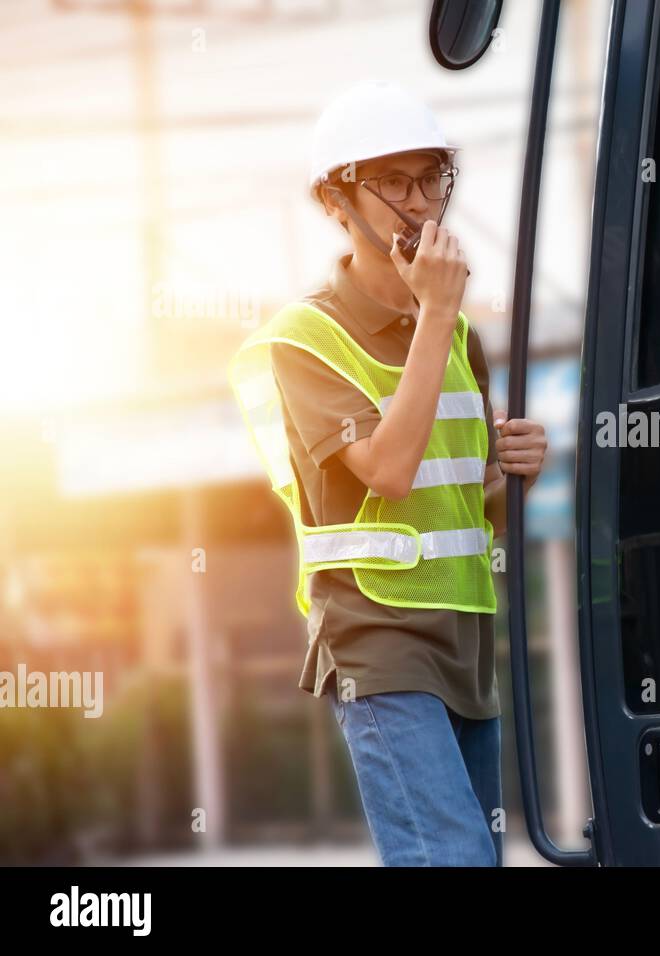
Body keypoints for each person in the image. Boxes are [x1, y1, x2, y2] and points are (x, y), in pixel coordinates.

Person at [228, 80, 547, 866]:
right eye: (393, 183)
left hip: (466, 640)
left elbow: (475, 516)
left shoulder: (457, 335)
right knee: (455, 858)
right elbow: (392, 473)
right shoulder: (303, 343)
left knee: (473, 857)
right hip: (376, 639)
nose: (420, 203)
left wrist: (515, 477)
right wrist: (436, 313)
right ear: (337, 201)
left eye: (430, 178)